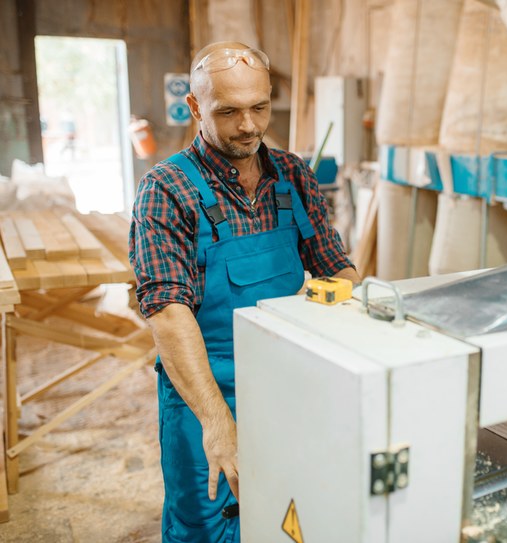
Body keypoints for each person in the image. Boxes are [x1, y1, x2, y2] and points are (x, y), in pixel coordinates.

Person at [129, 42, 360, 542]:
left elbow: (337, 270)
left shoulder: (294, 175)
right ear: (195, 108)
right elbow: (169, 315)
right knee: (207, 524)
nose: (249, 126)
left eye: (259, 107)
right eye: (228, 112)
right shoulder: (167, 190)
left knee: (291, 513)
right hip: (205, 392)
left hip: (287, 383)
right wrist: (217, 423)